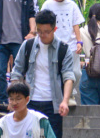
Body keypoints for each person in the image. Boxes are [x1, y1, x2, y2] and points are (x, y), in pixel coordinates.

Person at [12, 8, 76, 138]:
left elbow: (68, 76)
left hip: (53, 104)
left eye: (47, 32)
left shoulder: (63, 49)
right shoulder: (28, 45)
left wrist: (65, 101)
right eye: (39, 31)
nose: (42, 35)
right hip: (30, 102)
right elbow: (17, 72)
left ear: (54, 29)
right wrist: (14, 98)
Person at [40, 0, 83, 101]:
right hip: (53, 44)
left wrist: (79, 41)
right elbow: (42, 22)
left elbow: (76, 24)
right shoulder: (48, 4)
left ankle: (70, 92)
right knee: (56, 72)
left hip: (71, 44)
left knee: (76, 72)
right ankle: (64, 96)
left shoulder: (72, 5)